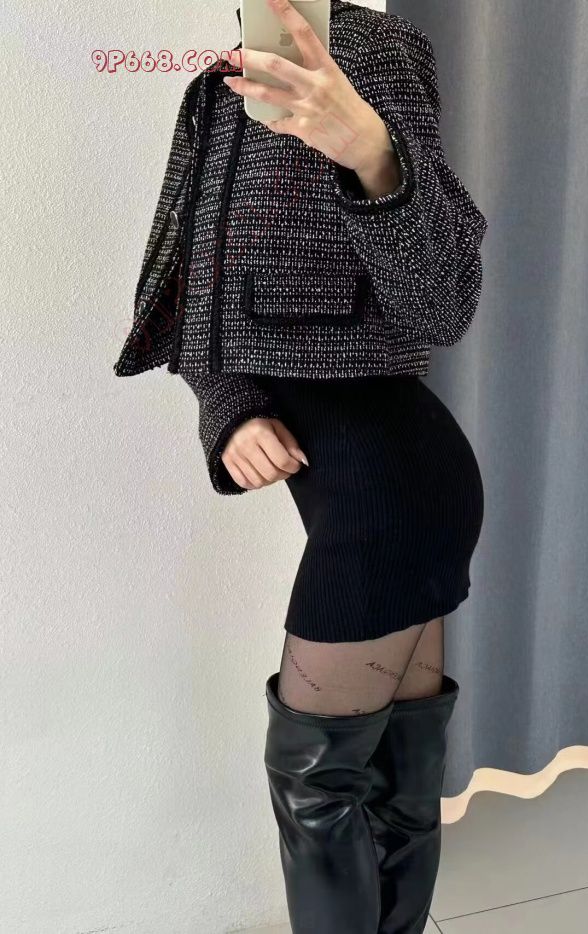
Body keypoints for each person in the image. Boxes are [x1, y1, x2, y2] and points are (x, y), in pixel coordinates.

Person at [114, 1, 487, 931]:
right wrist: (231, 407)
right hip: (370, 485)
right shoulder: (222, 81)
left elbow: (443, 304)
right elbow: (198, 298)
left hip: (393, 489)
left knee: (315, 785)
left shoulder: (375, 52)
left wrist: (375, 156)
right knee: (392, 779)